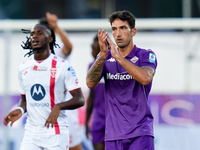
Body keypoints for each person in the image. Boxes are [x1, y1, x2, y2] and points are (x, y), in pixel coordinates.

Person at [4, 23, 85, 150]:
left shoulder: (62, 66)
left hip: (55, 133)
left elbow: (80, 99)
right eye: (32, 34)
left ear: (50, 38)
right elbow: (25, 100)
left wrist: (59, 106)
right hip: (31, 133)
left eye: (40, 33)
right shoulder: (23, 68)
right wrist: (20, 110)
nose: (34, 36)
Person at [86, 10, 157, 150]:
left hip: (140, 133)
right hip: (113, 135)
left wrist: (119, 57)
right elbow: (90, 83)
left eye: (123, 28)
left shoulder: (146, 55)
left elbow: (145, 78)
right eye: (114, 29)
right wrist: (102, 56)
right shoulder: (105, 58)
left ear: (133, 31)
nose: (118, 34)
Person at [39, 12, 85, 150]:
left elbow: (69, 47)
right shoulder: (35, 57)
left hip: (66, 112)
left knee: (73, 147)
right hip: (45, 112)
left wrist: (56, 27)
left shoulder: (57, 51)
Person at [85, 35, 105, 150]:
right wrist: (86, 122)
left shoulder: (112, 65)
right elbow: (91, 96)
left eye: (94, 49)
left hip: (112, 117)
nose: (92, 52)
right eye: (91, 48)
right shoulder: (91, 67)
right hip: (98, 117)